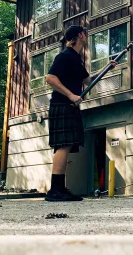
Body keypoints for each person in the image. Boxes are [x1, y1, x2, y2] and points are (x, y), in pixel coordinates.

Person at [44, 25, 117, 202]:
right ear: (80, 36)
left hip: (69, 106)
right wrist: (70, 95)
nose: (87, 35)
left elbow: (89, 80)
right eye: (85, 33)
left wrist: (106, 67)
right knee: (63, 145)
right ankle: (55, 190)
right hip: (62, 104)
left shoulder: (76, 59)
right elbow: (50, 78)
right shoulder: (65, 56)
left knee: (66, 146)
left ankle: (59, 189)